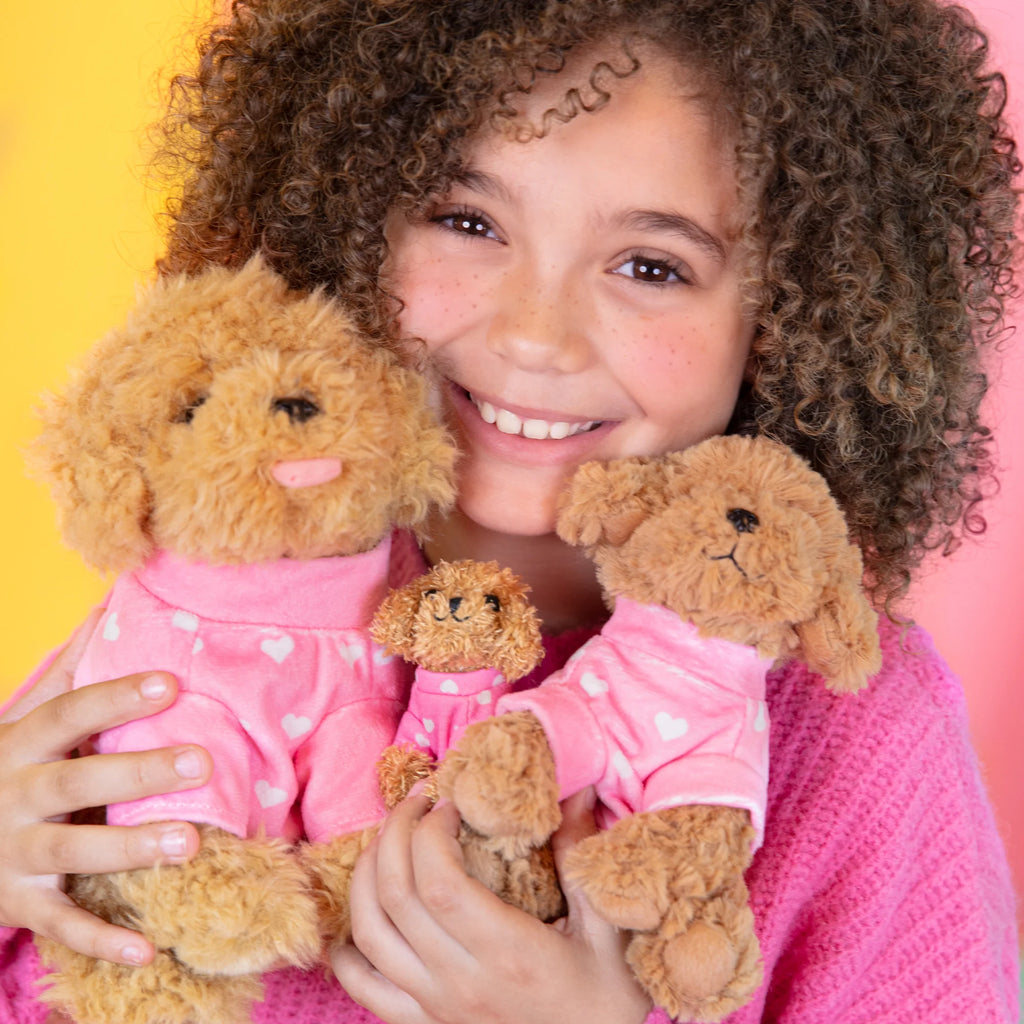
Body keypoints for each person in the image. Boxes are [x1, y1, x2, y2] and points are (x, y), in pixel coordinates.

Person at [0, 0, 1019, 1021]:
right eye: (467, 222)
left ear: (789, 324)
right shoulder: (204, 623)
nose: (536, 337)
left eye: (651, 266)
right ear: (340, 225)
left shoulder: (859, 737)